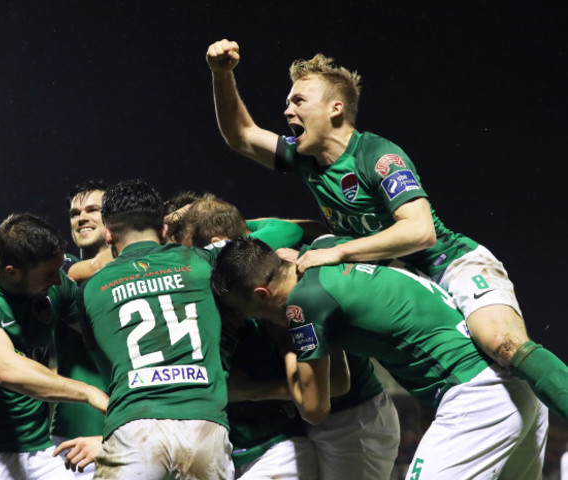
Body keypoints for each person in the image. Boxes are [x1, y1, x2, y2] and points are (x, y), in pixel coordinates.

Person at [206, 39, 568, 421]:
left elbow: (421, 231)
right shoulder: (304, 158)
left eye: (299, 101)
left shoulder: (377, 157)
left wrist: (337, 251)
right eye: (288, 102)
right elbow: (241, 136)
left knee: (501, 342)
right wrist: (222, 75)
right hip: (401, 277)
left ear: (335, 108)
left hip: (449, 263)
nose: (287, 110)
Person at [211, 237, 548, 479]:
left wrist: (282, 345)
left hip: (476, 395)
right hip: (515, 385)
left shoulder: (302, 307)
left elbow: (315, 409)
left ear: (261, 293)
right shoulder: (329, 250)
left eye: (251, 312)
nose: (256, 320)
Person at [185, 196, 399, 480]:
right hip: (325, 424)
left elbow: (331, 389)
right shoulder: (275, 271)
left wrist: (256, 382)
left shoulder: (304, 296)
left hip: (353, 417)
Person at [77, 179, 234, 479]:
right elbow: (280, 232)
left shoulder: (91, 289)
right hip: (204, 423)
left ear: (108, 235)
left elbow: (105, 367)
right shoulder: (203, 261)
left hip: (134, 426)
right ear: (163, 231)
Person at [0, 212, 109, 480]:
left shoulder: (55, 285)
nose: (58, 280)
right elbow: (6, 369)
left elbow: (104, 334)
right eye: (49, 274)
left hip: (41, 450)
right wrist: (88, 392)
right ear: (13, 272)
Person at [51, 181, 111, 478]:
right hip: (71, 435)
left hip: (129, 430)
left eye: (92, 210)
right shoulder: (59, 268)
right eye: (75, 213)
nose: (81, 218)